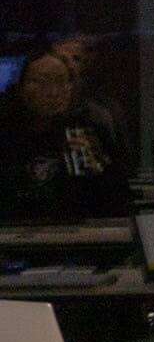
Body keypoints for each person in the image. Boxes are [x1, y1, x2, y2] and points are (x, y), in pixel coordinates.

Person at [0, 49, 129, 221]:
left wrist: (100, 167)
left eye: (61, 82)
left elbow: (119, 202)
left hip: (77, 232)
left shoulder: (88, 130)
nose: (53, 92)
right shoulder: (8, 135)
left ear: (71, 89)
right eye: (41, 82)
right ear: (21, 88)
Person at [48, 33, 129, 167]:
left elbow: (121, 164)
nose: (69, 65)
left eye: (76, 59)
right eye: (62, 59)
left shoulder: (101, 113)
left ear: (86, 65)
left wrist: (98, 160)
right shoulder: (36, 109)